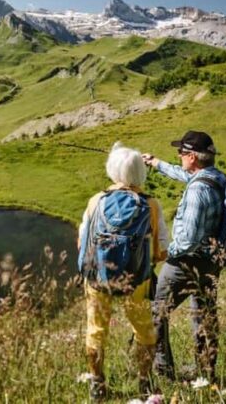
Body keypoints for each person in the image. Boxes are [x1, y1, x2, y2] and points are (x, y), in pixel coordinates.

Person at [78, 142, 168, 400]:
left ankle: (97, 384)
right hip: (136, 278)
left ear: (112, 170)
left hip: (97, 277)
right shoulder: (151, 204)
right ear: (141, 172)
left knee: (95, 330)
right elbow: (162, 250)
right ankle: (144, 380)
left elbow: (82, 240)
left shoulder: (96, 200)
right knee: (144, 330)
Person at [142, 130, 226, 383]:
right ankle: (206, 373)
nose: (178, 156)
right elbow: (186, 176)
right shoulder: (217, 178)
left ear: (192, 156)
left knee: (156, 313)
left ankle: (165, 373)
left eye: (181, 152)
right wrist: (156, 163)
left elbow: (188, 239)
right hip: (212, 261)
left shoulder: (196, 192)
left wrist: (166, 253)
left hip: (185, 263)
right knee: (204, 316)